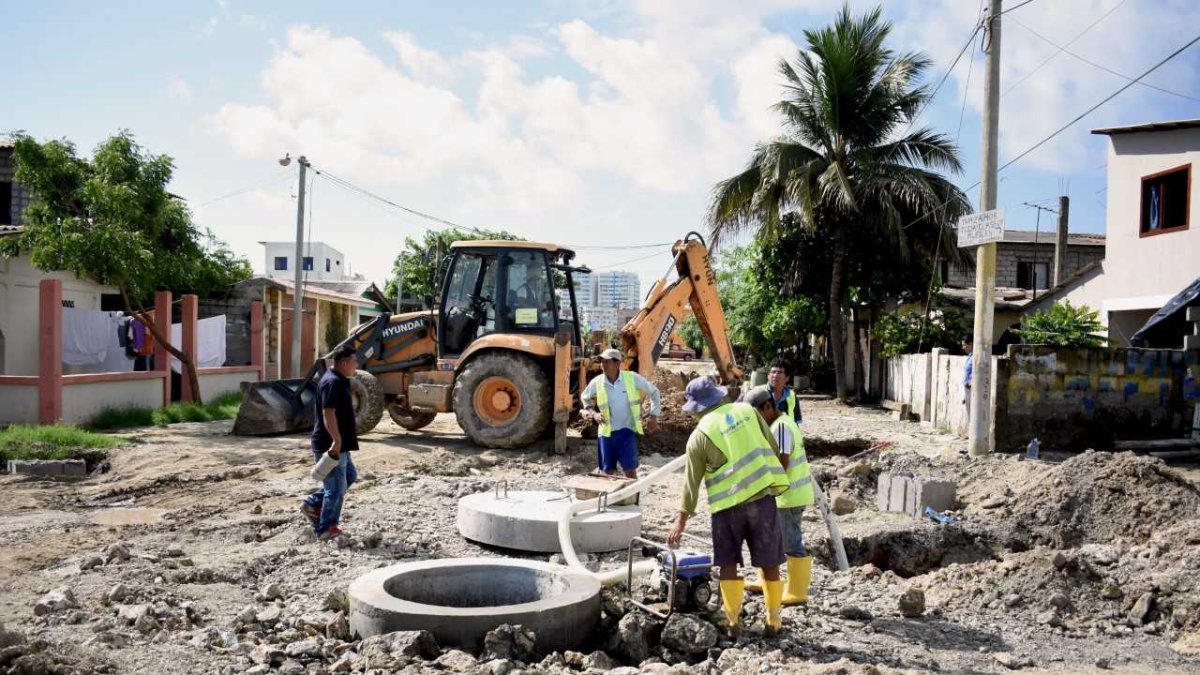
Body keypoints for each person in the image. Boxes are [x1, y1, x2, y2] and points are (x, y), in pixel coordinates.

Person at [667, 377, 789, 636]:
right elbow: (773, 447)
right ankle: (773, 620)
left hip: (727, 510)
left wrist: (681, 521)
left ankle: (733, 622)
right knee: (769, 563)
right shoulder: (748, 411)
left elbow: (692, 484)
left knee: (728, 563)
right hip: (762, 501)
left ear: (697, 408)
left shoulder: (698, 437)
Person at [745, 386, 814, 605]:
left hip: (790, 496)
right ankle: (764, 579)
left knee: (791, 542)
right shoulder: (776, 425)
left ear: (767, 407)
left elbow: (782, 464)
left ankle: (797, 591)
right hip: (782, 495)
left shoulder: (782, 428)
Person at [300, 347, 360, 540]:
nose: (356, 365)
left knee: (349, 475)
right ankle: (326, 528)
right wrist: (336, 441)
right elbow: (328, 413)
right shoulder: (332, 382)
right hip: (331, 443)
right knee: (335, 488)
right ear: (343, 363)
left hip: (340, 444)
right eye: (354, 362)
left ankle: (312, 504)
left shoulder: (338, 380)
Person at [580, 348, 661, 478]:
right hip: (606, 433)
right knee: (607, 473)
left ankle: (632, 498)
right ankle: (611, 498)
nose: (602, 365)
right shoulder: (598, 382)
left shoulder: (631, 378)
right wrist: (594, 413)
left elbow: (654, 392)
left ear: (617, 364)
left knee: (630, 472)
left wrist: (653, 416)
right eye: (602, 361)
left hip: (626, 432)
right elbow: (584, 397)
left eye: (607, 362)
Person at [766, 357, 803, 424]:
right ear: (768, 376)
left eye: (779, 372)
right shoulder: (759, 394)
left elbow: (796, 424)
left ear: (787, 378)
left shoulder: (792, 396)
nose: (775, 375)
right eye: (773, 372)